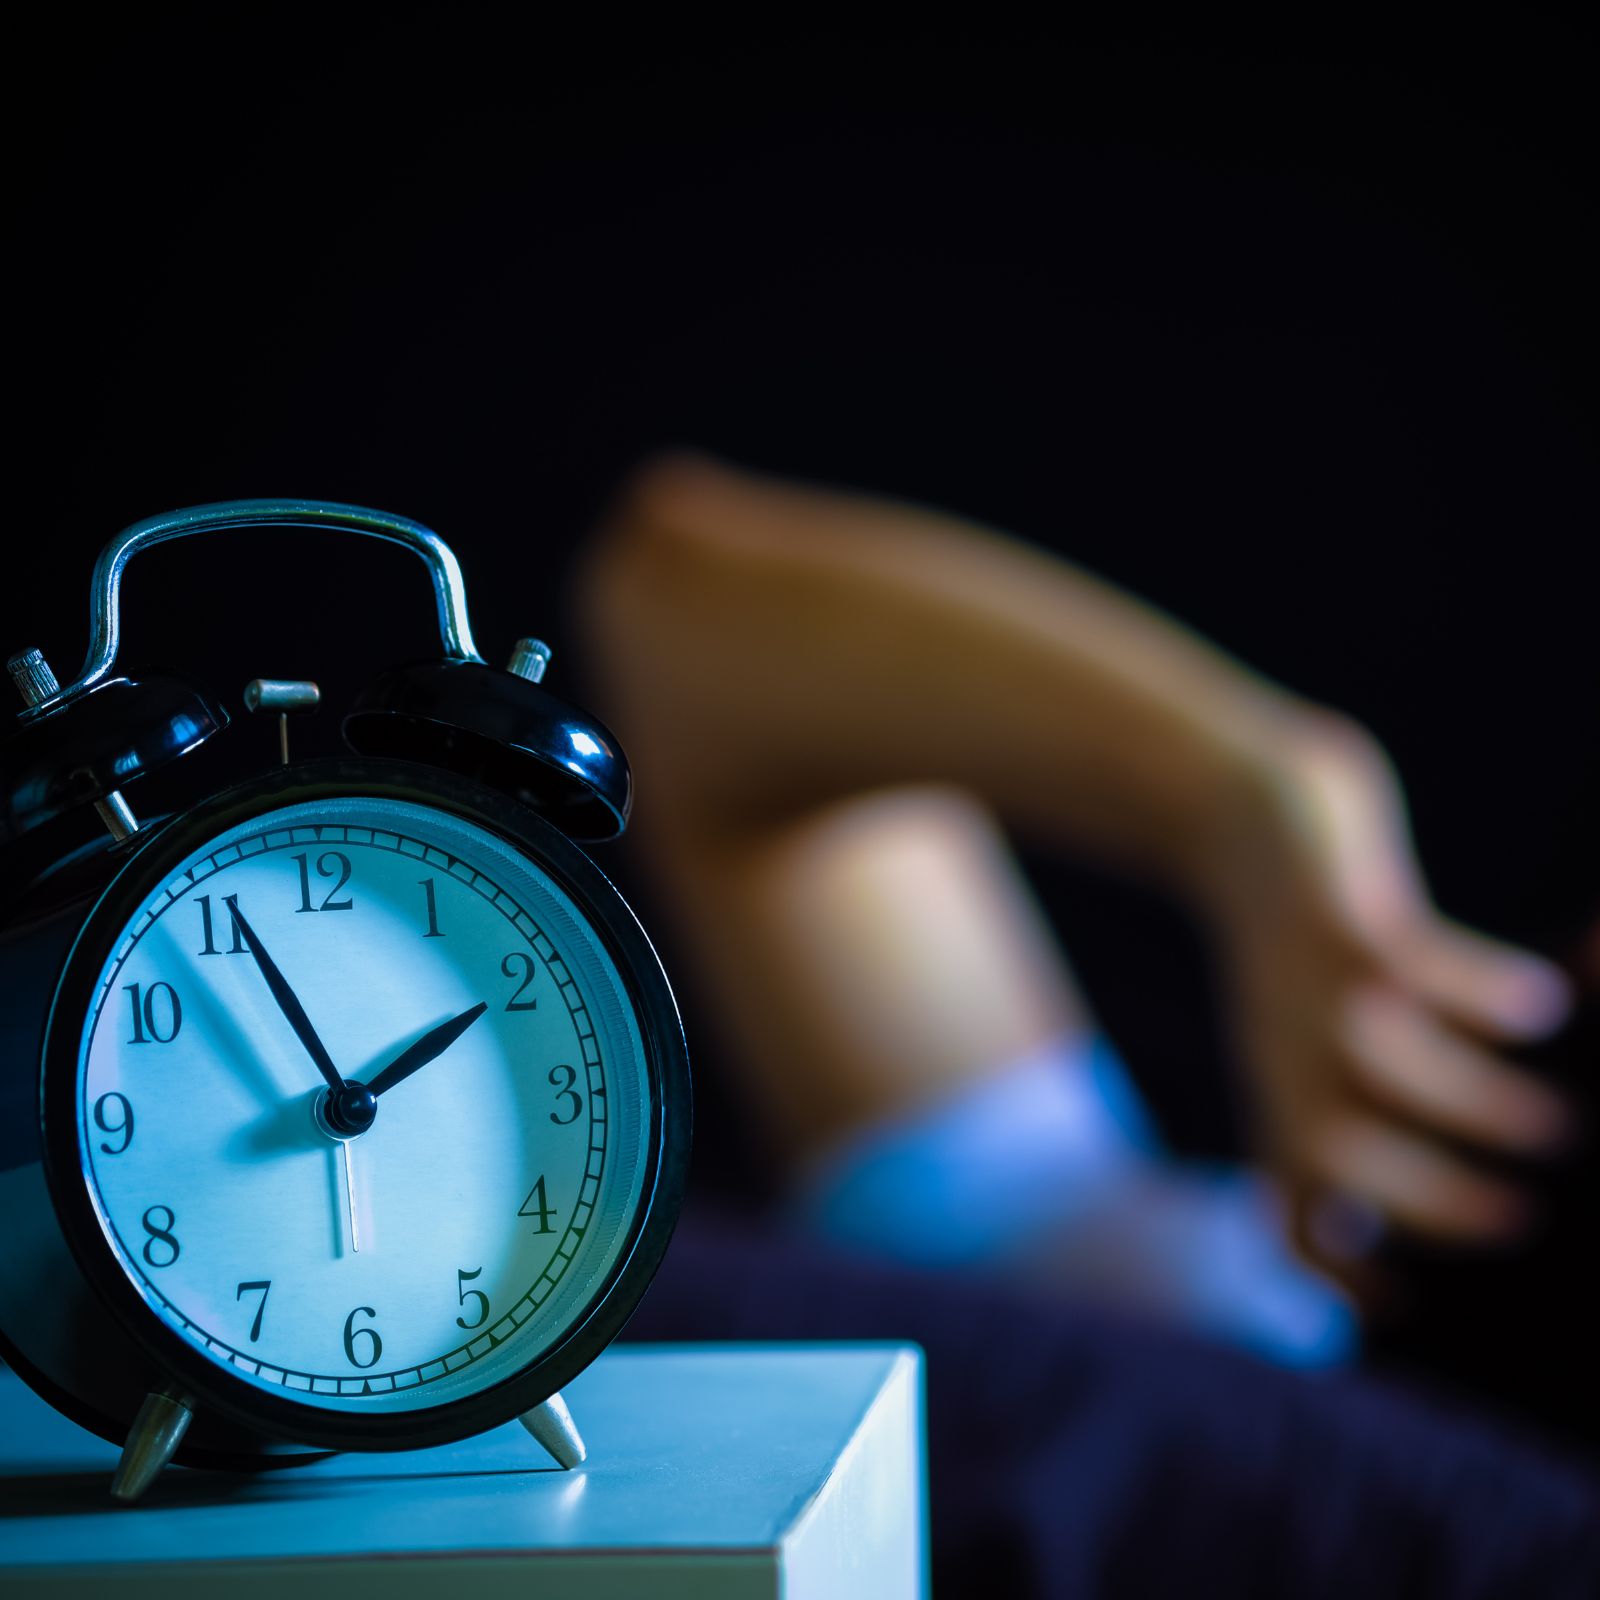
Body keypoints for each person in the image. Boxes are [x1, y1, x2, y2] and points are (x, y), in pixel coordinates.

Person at [572, 453, 1598, 1593]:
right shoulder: (1152, 1287)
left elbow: (675, 611)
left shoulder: (1235, 1404)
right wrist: (1260, 789)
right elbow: (679, 609)